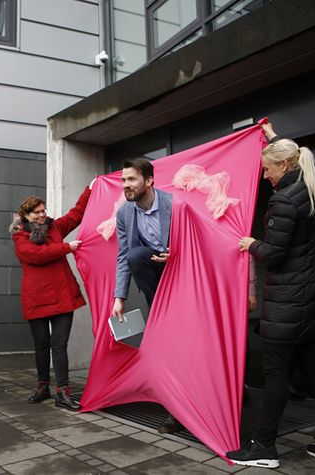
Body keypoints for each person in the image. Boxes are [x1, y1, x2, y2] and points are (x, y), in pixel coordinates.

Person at [227, 123, 315, 469]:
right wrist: (270, 135)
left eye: (267, 169)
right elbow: (293, 153)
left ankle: (265, 447)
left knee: (276, 373)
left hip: (289, 302)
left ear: (284, 167)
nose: (265, 176)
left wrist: (252, 244)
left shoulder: (283, 200)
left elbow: (275, 255)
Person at [109, 157, 182, 433]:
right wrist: (120, 297)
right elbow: (123, 256)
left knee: (181, 344)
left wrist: (175, 254)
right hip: (154, 276)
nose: (125, 185)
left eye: (131, 179)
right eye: (123, 180)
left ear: (149, 181)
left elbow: (194, 241)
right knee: (136, 254)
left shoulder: (173, 204)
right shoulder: (125, 213)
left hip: (180, 270)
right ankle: (159, 310)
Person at [11, 184, 92, 411]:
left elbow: (76, 215)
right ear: (25, 216)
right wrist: (67, 247)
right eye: (37, 211)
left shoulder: (54, 228)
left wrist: (90, 190)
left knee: (59, 344)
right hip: (36, 298)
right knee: (41, 345)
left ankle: (62, 392)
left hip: (61, 295)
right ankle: (43, 386)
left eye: (43, 210)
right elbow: (36, 255)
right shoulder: (20, 237)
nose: (42, 214)